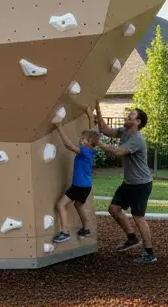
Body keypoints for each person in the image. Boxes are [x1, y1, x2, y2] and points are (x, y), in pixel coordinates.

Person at [94, 102, 158, 264]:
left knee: (138, 217)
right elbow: (105, 130)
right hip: (129, 182)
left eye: (132, 115)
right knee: (114, 209)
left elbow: (117, 152)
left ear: (138, 122)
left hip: (141, 184)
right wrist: (97, 108)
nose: (128, 115)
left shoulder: (137, 139)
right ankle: (131, 237)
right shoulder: (124, 131)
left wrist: (97, 143)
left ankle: (149, 253)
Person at [51, 121, 100, 243]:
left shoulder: (85, 152)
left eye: (84, 140)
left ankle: (64, 232)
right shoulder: (90, 152)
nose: (81, 141)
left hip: (79, 186)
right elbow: (90, 138)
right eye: (81, 138)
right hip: (86, 186)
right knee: (78, 205)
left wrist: (59, 127)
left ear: (90, 144)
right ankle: (86, 229)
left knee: (60, 205)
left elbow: (68, 145)